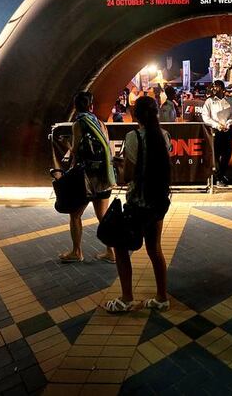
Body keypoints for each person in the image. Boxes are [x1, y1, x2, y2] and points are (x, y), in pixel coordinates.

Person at [106, 96, 172, 313]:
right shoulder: (164, 136)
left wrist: (120, 165)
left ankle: (126, 298)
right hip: (159, 201)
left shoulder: (133, 137)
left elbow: (129, 176)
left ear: (136, 115)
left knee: (121, 247)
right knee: (155, 249)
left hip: (138, 203)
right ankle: (162, 297)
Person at [59, 91, 116, 264]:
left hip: (86, 179)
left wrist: (65, 144)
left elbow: (75, 150)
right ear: (91, 106)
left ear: (76, 107)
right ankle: (111, 252)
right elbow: (108, 147)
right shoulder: (99, 122)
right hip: (104, 177)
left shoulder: (79, 123)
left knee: (75, 215)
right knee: (103, 216)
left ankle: (77, 252)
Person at [201, 80, 232, 187]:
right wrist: (217, 125)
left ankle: (221, 174)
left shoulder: (230, 100)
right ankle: (218, 178)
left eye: (216, 87)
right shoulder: (209, 101)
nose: (214, 89)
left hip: (227, 130)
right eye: (213, 87)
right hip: (215, 131)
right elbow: (205, 117)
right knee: (216, 155)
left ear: (222, 88)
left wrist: (228, 123)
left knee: (227, 154)